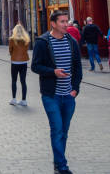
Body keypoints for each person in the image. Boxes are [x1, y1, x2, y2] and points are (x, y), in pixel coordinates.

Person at [31, 10, 82, 174]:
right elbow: (35, 66)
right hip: (51, 95)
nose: (66, 24)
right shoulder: (43, 42)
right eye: (62, 21)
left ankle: (58, 161)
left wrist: (75, 89)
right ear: (53, 24)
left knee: (64, 132)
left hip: (68, 95)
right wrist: (53, 72)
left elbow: (78, 67)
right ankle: (62, 166)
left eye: (67, 21)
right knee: (57, 129)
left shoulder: (72, 42)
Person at [9, 24, 30, 106]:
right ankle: (24, 100)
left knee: (14, 80)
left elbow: (10, 50)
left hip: (15, 62)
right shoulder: (26, 39)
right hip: (24, 62)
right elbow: (26, 50)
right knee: (23, 81)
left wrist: (13, 55)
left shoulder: (12, 39)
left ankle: (14, 99)